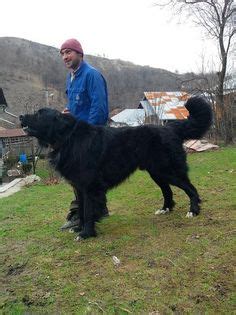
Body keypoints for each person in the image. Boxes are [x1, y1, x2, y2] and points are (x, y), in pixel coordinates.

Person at [59, 38, 109, 231]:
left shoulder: (92, 75)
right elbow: (76, 105)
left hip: (90, 137)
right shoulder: (70, 77)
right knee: (82, 178)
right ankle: (97, 209)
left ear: (80, 53)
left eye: (68, 52)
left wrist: (87, 136)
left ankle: (81, 214)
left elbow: (99, 109)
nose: (65, 56)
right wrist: (68, 112)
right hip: (76, 136)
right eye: (62, 53)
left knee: (83, 178)